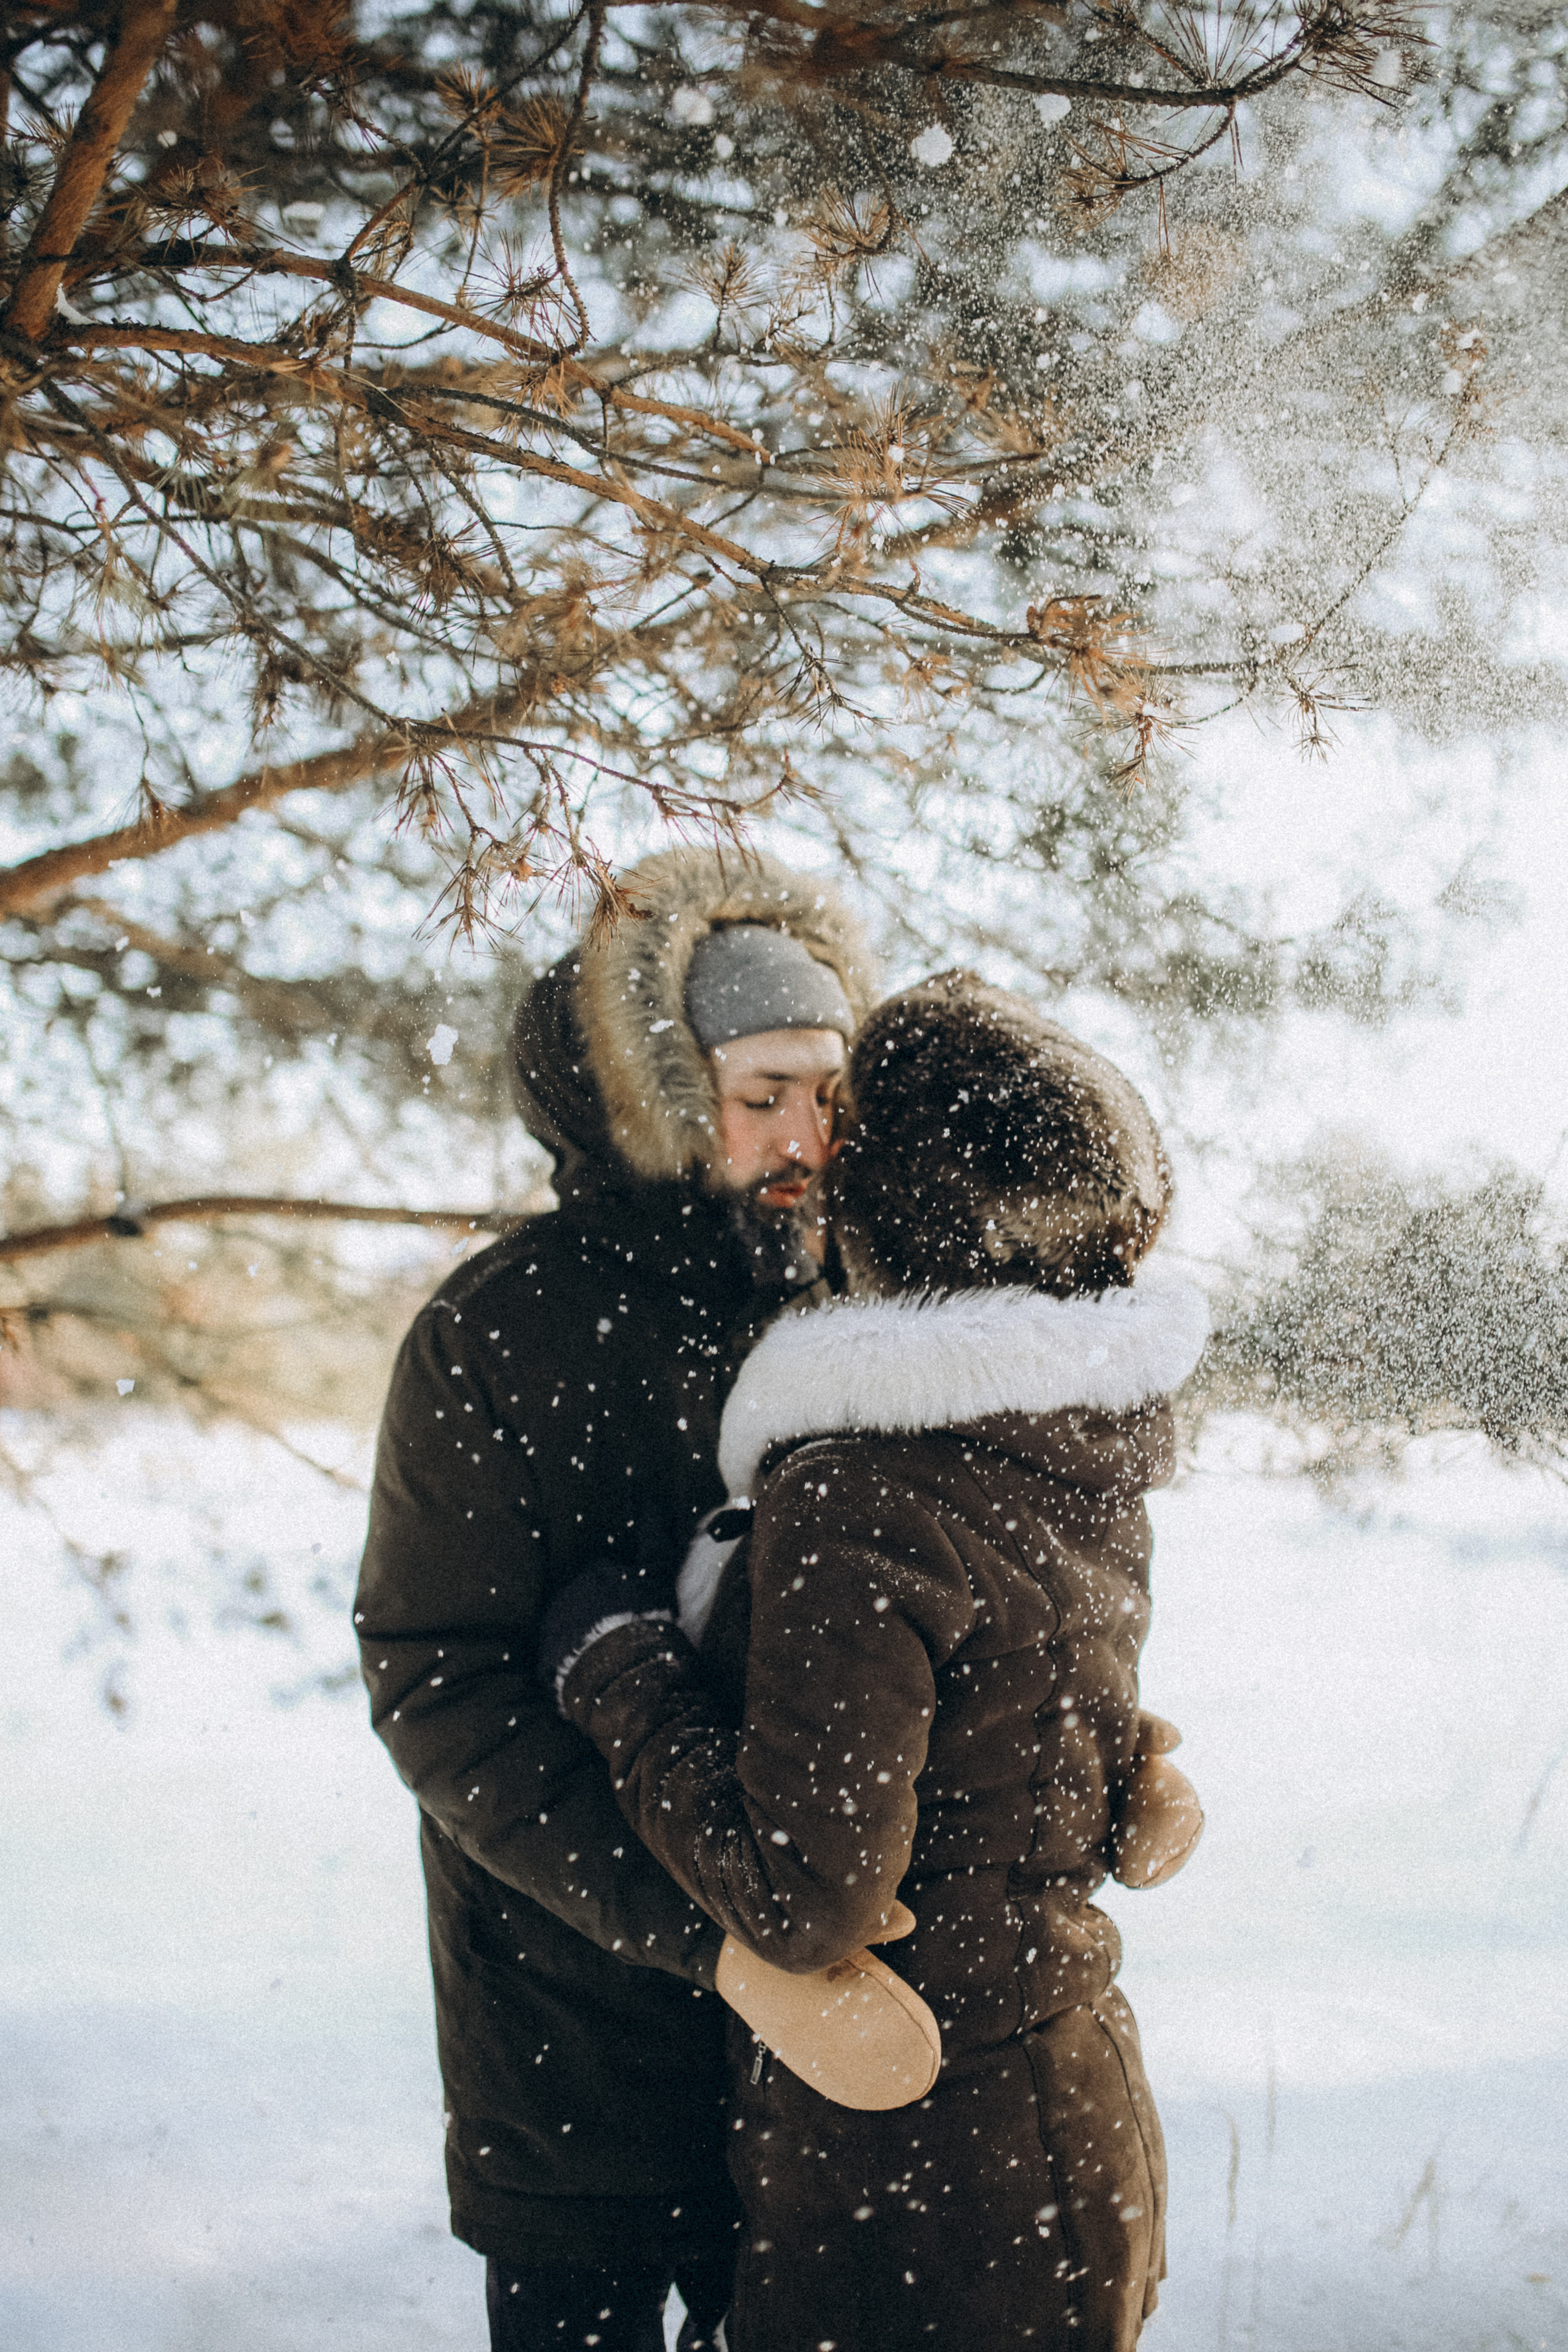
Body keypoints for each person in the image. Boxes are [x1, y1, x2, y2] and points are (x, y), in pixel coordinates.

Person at [543, 971, 1210, 2351]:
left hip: (919, 2194)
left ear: (890, 1202)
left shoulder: (863, 1490)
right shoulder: (1065, 1443)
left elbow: (806, 1905)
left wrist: (619, 1670)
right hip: (1070, 2125)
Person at [353, 847, 877, 2351]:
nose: (803, 1134)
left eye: (828, 1094)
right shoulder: (496, 1330)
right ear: (659, 1083)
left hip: (819, 2024)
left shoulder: (856, 1309)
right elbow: (437, 1679)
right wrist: (699, 1936)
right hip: (562, 2012)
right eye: (761, 1090)